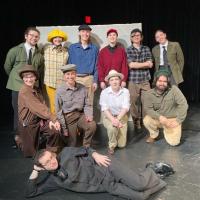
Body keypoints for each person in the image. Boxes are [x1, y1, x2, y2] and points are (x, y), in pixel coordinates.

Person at [25, 146, 168, 200]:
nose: (52, 161)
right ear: (42, 168)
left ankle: (152, 169)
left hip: (106, 167)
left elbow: (85, 149)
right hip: (107, 186)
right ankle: (156, 177)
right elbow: (31, 193)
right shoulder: (53, 181)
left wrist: (95, 154)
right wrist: (34, 172)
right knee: (141, 196)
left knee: (139, 184)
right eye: (47, 163)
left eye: (51, 157)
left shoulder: (67, 153)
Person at [4, 27, 44, 148]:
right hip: (17, 87)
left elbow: (39, 71)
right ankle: (18, 138)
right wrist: (17, 80)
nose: (34, 38)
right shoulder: (15, 50)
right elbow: (7, 67)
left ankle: (31, 138)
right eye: (31, 35)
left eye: (36, 36)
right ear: (26, 36)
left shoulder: (39, 55)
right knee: (19, 113)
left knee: (33, 112)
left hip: (32, 88)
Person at [18, 65, 62, 157]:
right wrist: (53, 118)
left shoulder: (37, 89)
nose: (29, 79)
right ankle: (20, 140)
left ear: (35, 78)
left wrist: (49, 121)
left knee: (54, 130)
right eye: (26, 77)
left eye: (31, 76)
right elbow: (38, 108)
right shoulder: (24, 91)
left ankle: (51, 151)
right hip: (29, 123)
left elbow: (43, 105)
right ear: (23, 79)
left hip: (40, 119)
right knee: (30, 153)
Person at [143, 69, 188, 146]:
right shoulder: (149, 94)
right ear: (155, 81)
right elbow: (148, 109)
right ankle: (153, 135)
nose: (162, 83)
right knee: (147, 120)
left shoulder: (174, 90)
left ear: (168, 82)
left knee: (174, 143)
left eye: (165, 81)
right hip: (159, 119)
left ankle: (171, 130)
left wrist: (178, 120)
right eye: (160, 81)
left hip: (172, 120)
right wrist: (160, 117)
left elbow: (183, 104)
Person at [55, 64, 96, 147]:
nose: (70, 76)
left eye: (72, 73)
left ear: (76, 75)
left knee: (91, 125)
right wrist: (64, 128)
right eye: (68, 74)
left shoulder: (83, 88)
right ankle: (76, 142)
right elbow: (58, 110)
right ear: (64, 76)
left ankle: (86, 147)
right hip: (68, 118)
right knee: (72, 145)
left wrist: (89, 115)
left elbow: (88, 104)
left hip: (80, 115)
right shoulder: (60, 90)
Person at [126, 28, 153, 132]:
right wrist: (144, 64)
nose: (136, 37)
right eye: (133, 36)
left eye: (138, 35)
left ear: (141, 37)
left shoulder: (146, 48)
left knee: (146, 102)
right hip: (133, 80)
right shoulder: (128, 49)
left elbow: (150, 64)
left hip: (145, 80)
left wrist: (139, 64)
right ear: (131, 38)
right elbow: (131, 65)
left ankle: (146, 121)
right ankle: (136, 120)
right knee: (132, 102)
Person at [99, 70, 130, 154]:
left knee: (121, 145)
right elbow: (105, 108)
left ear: (120, 80)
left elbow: (125, 107)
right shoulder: (104, 92)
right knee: (112, 128)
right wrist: (113, 120)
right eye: (112, 80)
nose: (114, 82)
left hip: (122, 116)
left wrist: (118, 119)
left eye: (116, 79)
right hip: (109, 116)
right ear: (109, 82)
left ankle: (117, 135)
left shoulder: (125, 91)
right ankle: (111, 145)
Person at [68, 24, 98, 105]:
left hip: (89, 79)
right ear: (79, 33)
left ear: (89, 33)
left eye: (87, 32)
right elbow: (69, 65)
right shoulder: (72, 47)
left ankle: (89, 118)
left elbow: (96, 66)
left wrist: (95, 81)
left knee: (89, 104)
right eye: (83, 31)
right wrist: (70, 79)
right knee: (75, 104)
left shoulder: (94, 48)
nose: (85, 34)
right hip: (76, 78)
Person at [43, 29, 69, 113]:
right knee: (53, 104)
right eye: (55, 37)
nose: (57, 39)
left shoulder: (66, 51)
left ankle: (63, 123)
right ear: (51, 39)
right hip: (50, 82)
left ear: (62, 39)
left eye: (59, 37)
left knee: (62, 104)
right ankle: (55, 123)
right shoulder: (45, 49)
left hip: (62, 82)